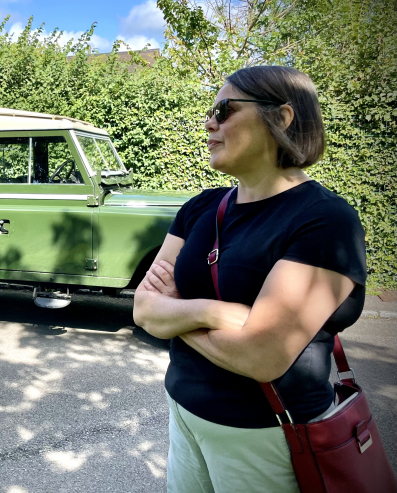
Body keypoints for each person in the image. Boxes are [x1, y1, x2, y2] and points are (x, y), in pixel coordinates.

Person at [133, 65, 366, 493]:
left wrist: (176, 314)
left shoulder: (324, 220)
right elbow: (143, 308)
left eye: (224, 109)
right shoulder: (201, 208)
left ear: (281, 117)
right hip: (184, 414)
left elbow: (262, 356)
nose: (209, 122)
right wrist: (216, 312)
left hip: (268, 434)